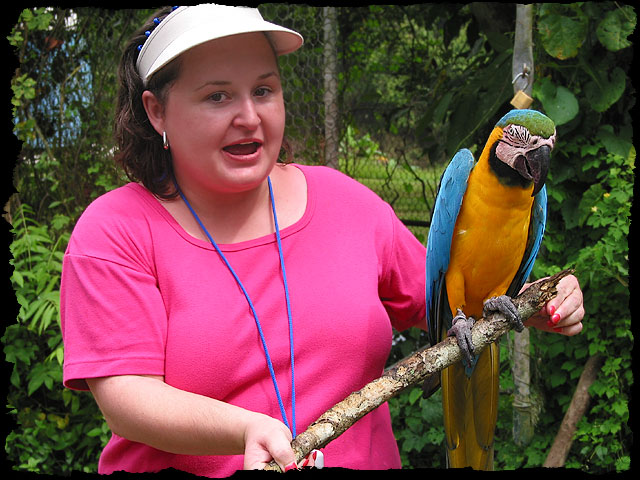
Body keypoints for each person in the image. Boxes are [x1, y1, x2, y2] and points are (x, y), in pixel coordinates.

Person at [60, 4, 585, 476]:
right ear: (156, 112)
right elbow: (126, 398)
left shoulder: (344, 202)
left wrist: (540, 302)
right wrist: (244, 429)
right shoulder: (115, 231)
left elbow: (445, 301)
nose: (250, 116)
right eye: (217, 95)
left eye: (263, 90)